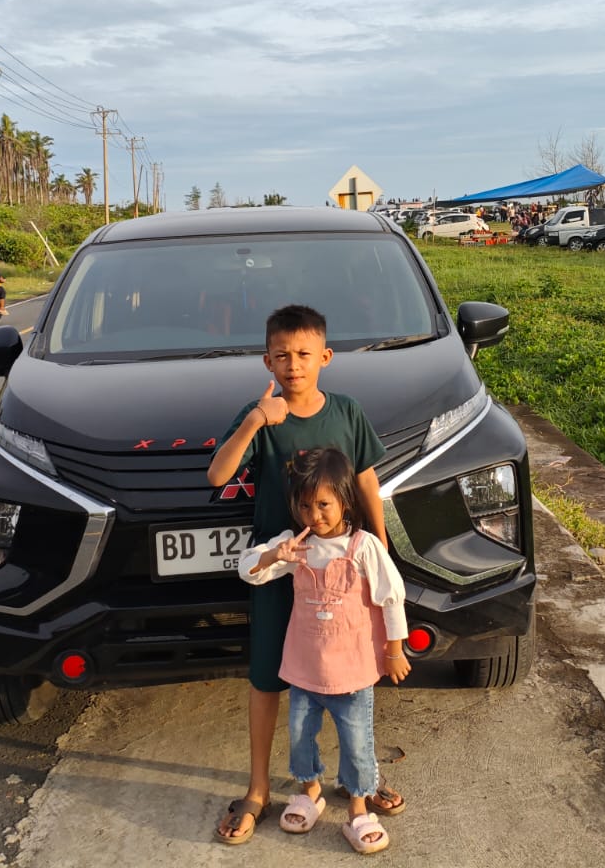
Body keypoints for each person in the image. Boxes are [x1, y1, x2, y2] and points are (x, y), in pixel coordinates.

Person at [206, 304, 398, 845]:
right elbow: (217, 474)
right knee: (269, 677)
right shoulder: (261, 415)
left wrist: (380, 545)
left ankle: (359, 783)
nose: (294, 365)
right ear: (267, 360)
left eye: (304, 355)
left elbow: (365, 480)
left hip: (339, 575)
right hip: (280, 570)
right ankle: (260, 788)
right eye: (283, 356)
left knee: (353, 675)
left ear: (325, 358)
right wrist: (253, 422)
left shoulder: (345, 411)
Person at [240, 448, 408, 853]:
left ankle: (357, 809)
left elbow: (392, 597)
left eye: (324, 505)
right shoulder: (295, 545)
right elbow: (248, 570)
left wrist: (395, 649)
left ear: (345, 501)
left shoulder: (364, 546)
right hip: (303, 670)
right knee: (300, 736)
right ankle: (309, 791)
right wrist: (272, 554)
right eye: (304, 505)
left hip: (352, 672)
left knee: (356, 742)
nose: (314, 515)